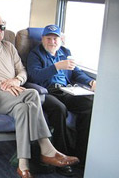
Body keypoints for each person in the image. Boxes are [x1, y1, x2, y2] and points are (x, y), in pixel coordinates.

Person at [0, 15, 79, 178]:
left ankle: (23, 165)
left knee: (24, 108)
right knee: (33, 93)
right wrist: (2, 85)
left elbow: (23, 71)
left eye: (1, 27)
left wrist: (16, 80)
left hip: (14, 95)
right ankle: (47, 149)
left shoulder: (10, 48)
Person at [27, 24, 95, 168]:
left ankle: (80, 153)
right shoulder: (35, 54)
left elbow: (76, 72)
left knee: (89, 106)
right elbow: (35, 76)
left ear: (61, 40)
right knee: (60, 109)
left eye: (55, 39)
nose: (52, 42)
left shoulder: (64, 52)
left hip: (66, 90)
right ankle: (61, 156)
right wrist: (57, 66)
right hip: (46, 92)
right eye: (48, 38)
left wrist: (90, 81)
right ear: (42, 39)